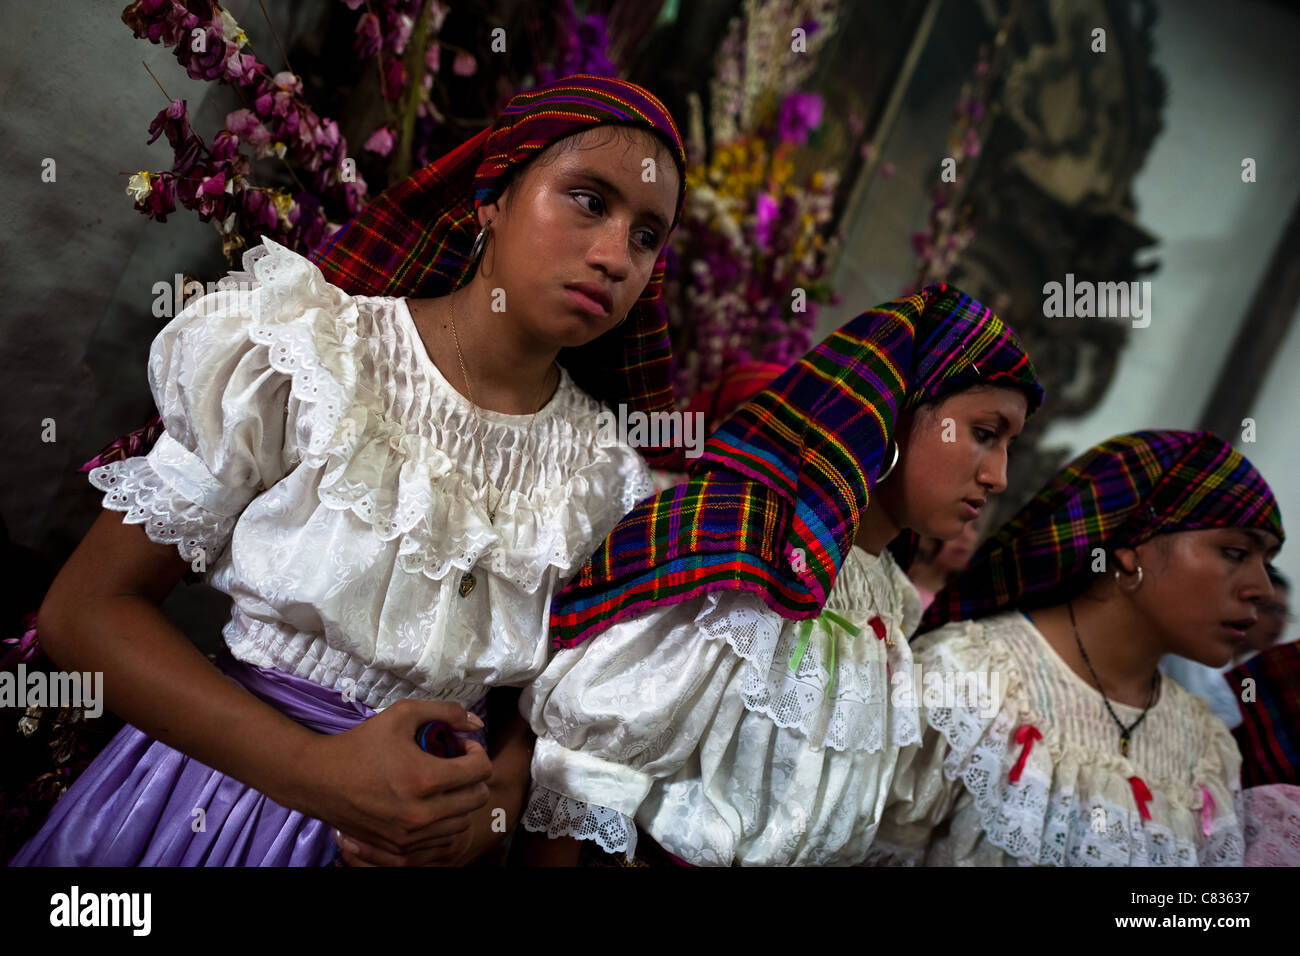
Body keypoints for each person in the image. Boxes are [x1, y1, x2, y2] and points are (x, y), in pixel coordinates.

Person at [11, 75, 687, 867]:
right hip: (210, 812)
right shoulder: (318, 357)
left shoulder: (608, 483)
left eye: (648, 236)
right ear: (492, 199)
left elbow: (541, 733)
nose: (614, 256)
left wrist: (480, 823)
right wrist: (315, 772)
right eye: (587, 200)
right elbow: (86, 612)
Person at [515, 284, 1043, 866]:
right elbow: (587, 778)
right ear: (895, 410)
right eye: (984, 434)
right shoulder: (740, 542)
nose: (998, 476)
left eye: (1009, 445)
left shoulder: (891, 601)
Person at [873, 430, 1282, 866]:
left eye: (1267, 562)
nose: (1260, 588)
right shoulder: (971, 680)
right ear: (1131, 550)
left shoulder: (1207, 749)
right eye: (1236, 553)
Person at [907, 520, 982, 613]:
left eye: (974, 527)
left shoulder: (966, 602)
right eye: (957, 523)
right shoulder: (895, 581)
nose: (968, 536)